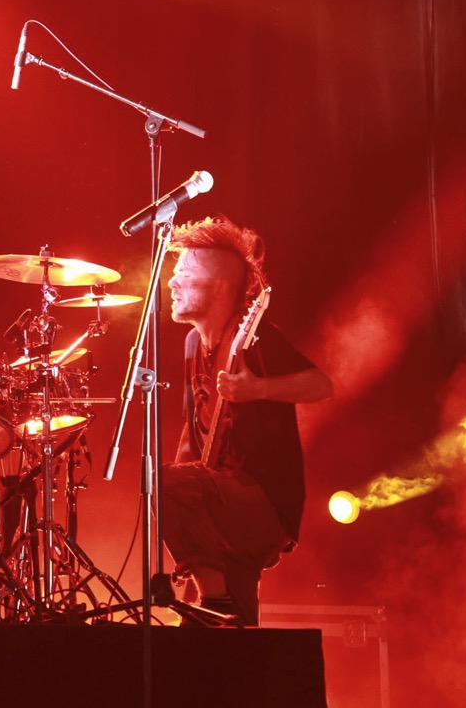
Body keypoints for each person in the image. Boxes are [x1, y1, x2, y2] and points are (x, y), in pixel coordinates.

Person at [160, 216, 332, 626]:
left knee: (158, 483)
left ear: (220, 287)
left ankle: (217, 598)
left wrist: (256, 389)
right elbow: (191, 428)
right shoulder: (192, 343)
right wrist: (181, 508)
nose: (172, 282)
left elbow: (321, 385)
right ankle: (225, 612)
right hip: (218, 500)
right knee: (221, 635)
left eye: (186, 273)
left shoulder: (254, 336)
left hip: (261, 502)